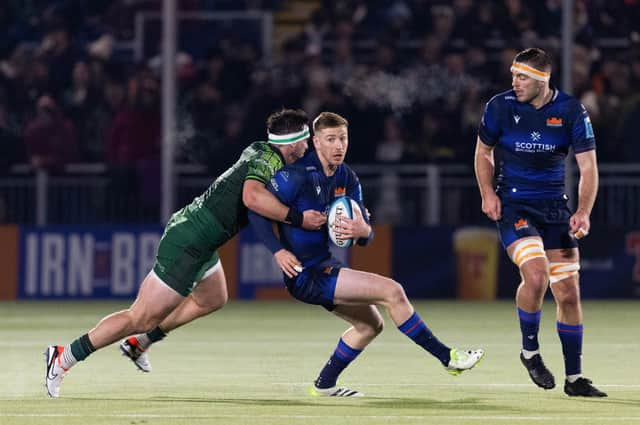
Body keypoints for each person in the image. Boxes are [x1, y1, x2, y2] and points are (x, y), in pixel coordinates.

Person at [44, 108, 326, 397]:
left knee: (214, 298)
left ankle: (140, 343)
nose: (307, 147)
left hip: (200, 236)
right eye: (306, 141)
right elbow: (252, 197)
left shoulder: (261, 150)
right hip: (191, 239)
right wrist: (299, 219)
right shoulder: (268, 159)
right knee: (139, 316)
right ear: (294, 141)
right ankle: (65, 356)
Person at [249, 111, 485, 397]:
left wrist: (364, 232)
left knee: (370, 325)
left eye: (343, 139)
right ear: (316, 142)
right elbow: (257, 212)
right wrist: (278, 252)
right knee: (392, 291)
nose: (338, 146)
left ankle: (324, 385)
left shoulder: (347, 177)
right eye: (331, 139)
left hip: (324, 265)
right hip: (305, 273)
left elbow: (365, 233)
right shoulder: (295, 175)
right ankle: (449, 358)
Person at [473, 48, 606, 397]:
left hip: (554, 210)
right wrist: (488, 193)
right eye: (513, 76)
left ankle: (574, 379)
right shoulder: (500, 106)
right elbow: (483, 151)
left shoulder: (571, 111)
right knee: (536, 274)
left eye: (522, 77)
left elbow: (588, 167)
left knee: (569, 293)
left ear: (543, 80)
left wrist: (583, 211)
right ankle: (530, 352)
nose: (514, 83)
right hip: (514, 206)